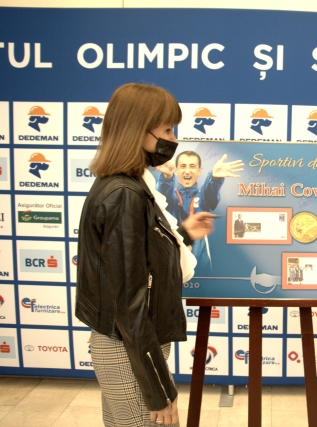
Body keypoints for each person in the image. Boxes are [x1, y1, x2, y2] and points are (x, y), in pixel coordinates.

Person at [76, 83, 216, 427]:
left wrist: (183, 234)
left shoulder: (128, 185)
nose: (173, 139)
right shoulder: (125, 193)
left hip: (130, 346)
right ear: (138, 129)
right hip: (129, 351)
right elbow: (130, 301)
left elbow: (138, 259)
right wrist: (158, 390)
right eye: (167, 130)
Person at [155, 151, 242, 271]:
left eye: (192, 166)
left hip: (200, 263)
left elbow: (211, 192)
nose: (187, 171)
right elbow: (161, 197)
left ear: (199, 171)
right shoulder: (169, 197)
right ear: (176, 170)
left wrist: (215, 178)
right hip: (171, 260)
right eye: (183, 166)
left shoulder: (204, 197)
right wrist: (167, 177)